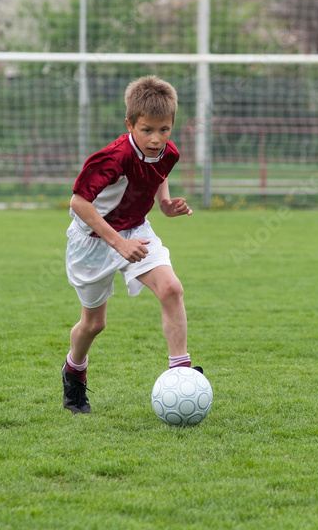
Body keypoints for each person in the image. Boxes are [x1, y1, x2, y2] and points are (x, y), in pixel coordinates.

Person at [61, 75, 196, 414]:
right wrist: (118, 242)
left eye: (164, 130)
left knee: (171, 288)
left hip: (136, 230)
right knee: (94, 324)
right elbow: (79, 203)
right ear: (130, 124)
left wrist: (164, 205)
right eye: (147, 130)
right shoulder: (112, 157)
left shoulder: (169, 152)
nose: (156, 139)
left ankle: (180, 372)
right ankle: (74, 372)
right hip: (92, 241)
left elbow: (159, 172)